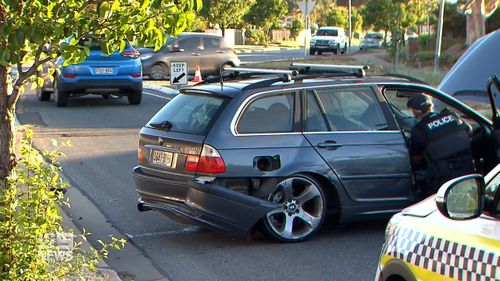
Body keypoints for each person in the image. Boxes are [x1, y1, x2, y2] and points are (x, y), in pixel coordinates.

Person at [407, 94, 475, 197]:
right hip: (467, 172)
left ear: (416, 111)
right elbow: (468, 131)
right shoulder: (451, 115)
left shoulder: (419, 130)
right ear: (431, 105)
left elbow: (415, 159)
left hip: (443, 180)